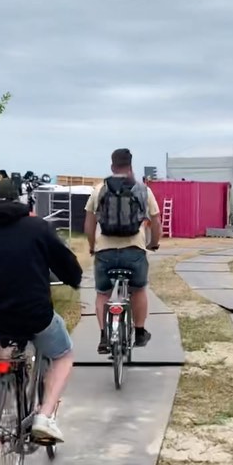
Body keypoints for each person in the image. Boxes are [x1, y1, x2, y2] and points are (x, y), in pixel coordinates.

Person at [0, 177, 82, 444]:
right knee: (63, 355)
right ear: (19, 200)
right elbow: (67, 265)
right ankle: (45, 416)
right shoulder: (38, 228)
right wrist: (73, 279)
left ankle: (0, 389)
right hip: (36, 317)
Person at [84, 148, 161, 354]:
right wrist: (153, 243)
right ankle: (140, 331)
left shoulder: (99, 190)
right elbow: (156, 222)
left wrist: (92, 246)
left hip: (105, 253)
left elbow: (89, 225)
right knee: (138, 289)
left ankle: (103, 337)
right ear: (130, 165)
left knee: (103, 294)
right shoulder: (143, 190)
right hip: (134, 251)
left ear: (112, 166)